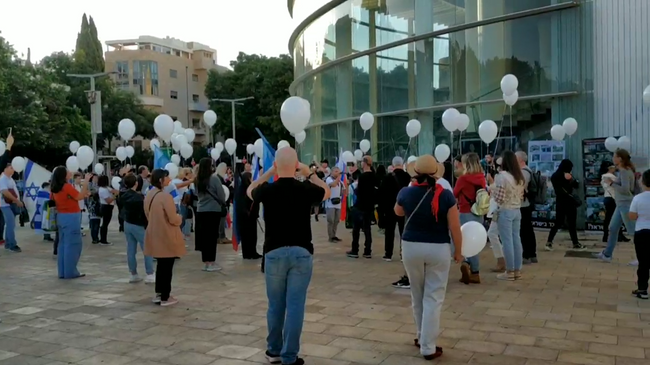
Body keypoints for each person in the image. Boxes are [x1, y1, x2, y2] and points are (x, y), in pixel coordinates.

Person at [247, 147, 330, 365]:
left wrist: (267, 173)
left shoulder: (268, 189)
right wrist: (309, 173)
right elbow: (326, 191)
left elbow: (250, 191)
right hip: (301, 251)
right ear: (296, 166)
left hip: (274, 251)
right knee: (295, 305)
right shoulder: (304, 188)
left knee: (275, 305)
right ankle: (289, 356)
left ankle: (273, 350)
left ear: (276, 165)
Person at [395, 155, 462, 360]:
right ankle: (428, 346)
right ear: (436, 173)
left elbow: (397, 212)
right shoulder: (445, 195)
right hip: (438, 248)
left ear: (415, 173)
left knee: (417, 293)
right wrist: (458, 251)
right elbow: (454, 227)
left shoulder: (406, 192)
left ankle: (420, 335)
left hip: (411, 246)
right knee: (433, 297)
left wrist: (410, 187)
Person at [144, 169, 185, 306]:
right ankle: (165, 296)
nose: (169, 179)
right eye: (166, 177)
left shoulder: (149, 194)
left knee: (161, 265)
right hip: (166, 234)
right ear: (161, 180)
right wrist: (180, 218)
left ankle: (159, 293)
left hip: (154, 232)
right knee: (167, 267)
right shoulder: (165, 197)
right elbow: (173, 218)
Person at [596, 149, 636, 261]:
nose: (613, 158)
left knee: (632, 231)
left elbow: (626, 189)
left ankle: (642, 257)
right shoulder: (624, 170)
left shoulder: (624, 171)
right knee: (613, 228)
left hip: (625, 204)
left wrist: (612, 183)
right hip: (620, 204)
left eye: (615, 156)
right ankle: (607, 254)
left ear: (620, 158)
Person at [51, 167, 91, 279]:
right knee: (73, 245)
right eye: (68, 172)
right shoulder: (67, 187)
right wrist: (86, 182)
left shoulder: (54, 188)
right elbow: (80, 196)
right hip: (71, 217)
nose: (70, 173)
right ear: (64, 175)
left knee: (63, 244)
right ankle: (70, 271)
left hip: (61, 216)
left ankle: (62, 271)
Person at [491, 151, 525, 281]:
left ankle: (509, 270)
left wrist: (493, 192)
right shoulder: (519, 176)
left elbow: (499, 198)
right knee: (516, 239)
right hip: (517, 210)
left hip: (505, 210)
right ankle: (517, 269)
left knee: (507, 241)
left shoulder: (502, 177)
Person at [453, 153, 485, 284]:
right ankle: (473, 270)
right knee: (474, 241)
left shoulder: (463, 179)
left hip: (466, 211)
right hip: (478, 212)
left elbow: (455, 193)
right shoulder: (481, 177)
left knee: (466, 240)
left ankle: (470, 266)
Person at [120, 173, 155, 284]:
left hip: (127, 223)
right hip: (138, 224)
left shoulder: (123, 195)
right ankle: (150, 273)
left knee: (131, 249)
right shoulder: (139, 198)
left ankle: (133, 274)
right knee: (147, 248)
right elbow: (144, 213)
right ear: (136, 183)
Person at [195, 158, 227, 271]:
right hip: (213, 210)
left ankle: (206, 262)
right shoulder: (214, 179)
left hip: (200, 211)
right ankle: (211, 262)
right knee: (212, 237)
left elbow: (196, 194)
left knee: (204, 237)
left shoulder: (197, 179)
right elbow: (221, 195)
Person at [546, 159, 585, 250]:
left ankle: (549, 242)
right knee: (570, 224)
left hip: (561, 201)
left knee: (558, 222)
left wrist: (570, 179)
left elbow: (575, 185)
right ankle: (575, 243)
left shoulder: (556, 175)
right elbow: (575, 185)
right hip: (568, 201)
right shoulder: (560, 175)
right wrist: (569, 179)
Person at [378, 156, 411, 261]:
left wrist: (381, 210)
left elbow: (382, 195)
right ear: (402, 164)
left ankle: (388, 254)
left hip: (390, 208)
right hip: (404, 208)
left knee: (389, 232)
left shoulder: (387, 178)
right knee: (404, 232)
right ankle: (404, 253)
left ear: (393, 165)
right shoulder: (408, 177)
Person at [347, 156, 376, 259]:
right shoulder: (374, 176)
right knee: (367, 229)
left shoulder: (362, 177)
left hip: (360, 205)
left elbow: (358, 191)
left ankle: (355, 250)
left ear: (365, 163)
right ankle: (367, 251)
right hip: (369, 206)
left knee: (356, 229)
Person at [629, 169, 650, 299]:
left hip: (642, 232)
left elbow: (632, 216)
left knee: (643, 262)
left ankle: (642, 289)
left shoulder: (638, 198)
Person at [517, 151, 538, 263]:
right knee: (528, 229)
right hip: (526, 204)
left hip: (523, 205)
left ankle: (527, 254)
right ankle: (531, 253)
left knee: (524, 230)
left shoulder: (524, 172)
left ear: (521, 160)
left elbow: (520, 187)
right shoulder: (527, 170)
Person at [600, 161, 628, 243]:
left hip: (607, 198)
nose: (615, 169)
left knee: (608, 218)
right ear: (610, 168)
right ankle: (618, 235)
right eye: (613, 167)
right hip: (613, 198)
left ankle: (606, 235)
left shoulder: (603, 177)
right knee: (616, 218)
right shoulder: (611, 176)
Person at [236, 171, 261, 259]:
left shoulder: (241, 189)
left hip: (247, 216)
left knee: (248, 236)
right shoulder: (247, 189)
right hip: (248, 216)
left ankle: (248, 253)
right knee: (250, 235)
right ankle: (251, 253)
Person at [0, 160, 22, 253]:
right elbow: (4, 191)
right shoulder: (3, 179)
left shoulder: (10, 179)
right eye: (11, 168)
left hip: (11, 204)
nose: (13, 169)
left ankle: (8, 244)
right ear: (5, 169)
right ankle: (12, 244)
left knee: (10, 224)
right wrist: (16, 200)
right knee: (11, 223)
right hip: (5, 205)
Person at [171, 168, 193, 241]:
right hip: (179, 203)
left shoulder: (173, 181)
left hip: (177, 202)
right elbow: (181, 187)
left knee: (180, 220)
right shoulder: (177, 182)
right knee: (181, 220)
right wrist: (190, 181)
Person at [325, 166, 344, 242]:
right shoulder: (329, 179)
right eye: (336, 171)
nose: (337, 173)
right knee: (331, 220)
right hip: (330, 203)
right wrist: (338, 178)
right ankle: (331, 237)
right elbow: (333, 185)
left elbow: (344, 192)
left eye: (338, 171)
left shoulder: (340, 182)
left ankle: (334, 235)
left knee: (336, 220)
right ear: (332, 172)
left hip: (338, 203)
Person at [97, 175, 118, 246]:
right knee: (105, 224)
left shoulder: (106, 188)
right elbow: (108, 200)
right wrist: (115, 196)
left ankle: (103, 238)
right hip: (106, 207)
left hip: (108, 207)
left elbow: (113, 190)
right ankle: (103, 240)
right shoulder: (102, 190)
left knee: (105, 223)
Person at [215, 162, 233, 244]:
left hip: (221, 201)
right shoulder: (218, 178)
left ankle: (220, 236)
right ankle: (221, 236)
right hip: (221, 202)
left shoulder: (218, 177)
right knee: (221, 220)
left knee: (220, 220)